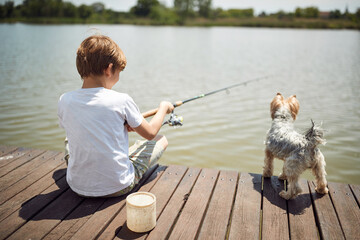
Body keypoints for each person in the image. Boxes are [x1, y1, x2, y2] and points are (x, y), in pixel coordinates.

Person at [58, 35, 174, 198]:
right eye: (118, 72)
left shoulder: (65, 100)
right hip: (119, 186)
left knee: (69, 140)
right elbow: (151, 133)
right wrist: (163, 107)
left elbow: (87, 124)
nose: (118, 77)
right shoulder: (122, 100)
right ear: (109, 69)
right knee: (161, 139)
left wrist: (119, 125)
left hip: (77, 187)